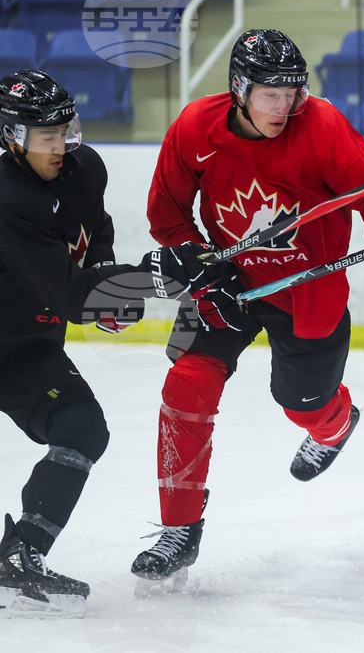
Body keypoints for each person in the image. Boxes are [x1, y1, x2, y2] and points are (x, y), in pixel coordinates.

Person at [130, 29, 364, 589]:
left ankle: (335, 424)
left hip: (306, 291)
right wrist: (194, 255)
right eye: (270, 94)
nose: (283, 107)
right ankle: (179, 529)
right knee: (185, 387)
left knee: (300, 404)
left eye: (292, 94)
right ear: (239, 88)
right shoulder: (195, 127)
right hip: (225, 285)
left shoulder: (323, 124)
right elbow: (167, 213)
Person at [0, 70, 220, 616]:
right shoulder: (6, 199)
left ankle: (21, 553)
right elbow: (72, 298)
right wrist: (151, 277)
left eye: (65, 130)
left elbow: (93, 227)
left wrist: (108, 277)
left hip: (24, 347)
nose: (60, 145)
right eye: (44, 136)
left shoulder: (84, 167)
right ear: (10, 136)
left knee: (81, 430)